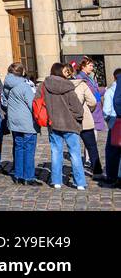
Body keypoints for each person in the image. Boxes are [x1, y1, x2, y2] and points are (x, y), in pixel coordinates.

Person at [43, 62, 87, 190]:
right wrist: (78, 119)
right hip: (70, 124)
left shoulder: (44, 85)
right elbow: (78, 108)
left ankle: (56, 181)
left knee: (56, 152)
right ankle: (80, 183)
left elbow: (38, 102)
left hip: (53, 123)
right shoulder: (67, 86)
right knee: (75, 154)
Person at [2, 62, 39, 186]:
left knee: (18, 147)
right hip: (26, 122)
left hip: (14, 121)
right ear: (22, 72)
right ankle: (29, 177)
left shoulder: (7, 85)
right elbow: (32, 105)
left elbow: (5, 102)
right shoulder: (24, 86)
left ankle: (18, 175)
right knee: (29, 149)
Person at [74, 59, 105, 178]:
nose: (92, 67)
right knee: (91, 140)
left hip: (94, 111)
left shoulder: (89, 78)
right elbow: (91, 96)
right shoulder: (81, 79)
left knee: (93, 139)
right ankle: (88, 162)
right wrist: (99, 95)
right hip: (89, 113)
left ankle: (89, 161)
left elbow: (95, 92)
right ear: (83, 67)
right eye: (90, 65)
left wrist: (103, 90)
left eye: (92, 65)